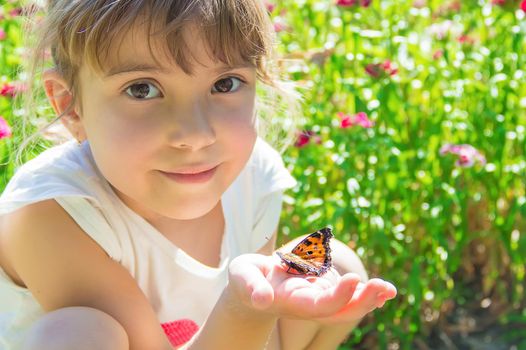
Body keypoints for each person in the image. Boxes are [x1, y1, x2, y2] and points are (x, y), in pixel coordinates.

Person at [0, 1, 397, 349]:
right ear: (70, 105)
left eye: (225, 84)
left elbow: (262, 342)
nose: (195, 135)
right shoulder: (52, 212)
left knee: (337, 264)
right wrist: (245, 310)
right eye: (142, 89)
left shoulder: (252, 174)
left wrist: (261, 305)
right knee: (76, 332)